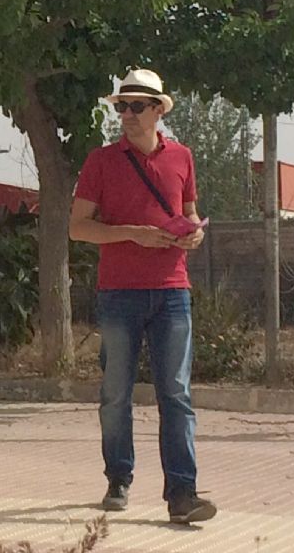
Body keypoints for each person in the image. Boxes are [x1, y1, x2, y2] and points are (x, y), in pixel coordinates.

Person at [69, 69, 217, 524]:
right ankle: (119, 477)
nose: (127, 114)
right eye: (121, 106)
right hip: (119, 293)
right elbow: (78, 227)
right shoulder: (100, 161)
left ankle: (182, 494)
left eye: (136, 106)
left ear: (157, 110)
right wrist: (131, 234)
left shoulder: (183, 158)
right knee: (116, 393)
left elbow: (189, 213)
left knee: (176, 392)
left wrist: (192, 237)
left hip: (173, 291)